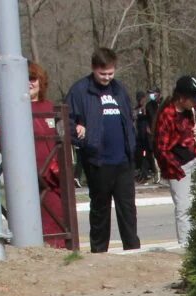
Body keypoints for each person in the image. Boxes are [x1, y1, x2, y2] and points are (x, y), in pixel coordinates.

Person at [67, 49, 139, 253]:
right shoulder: (80, 91)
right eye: (102, 74)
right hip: (98, 161)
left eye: (110, 73)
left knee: (127, 209)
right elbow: (65, 121)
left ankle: (133, 249)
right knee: (100, 210)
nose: (107, 78)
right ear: (93, 69)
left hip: (123, 160)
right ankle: (99, 252)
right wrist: (80, 134)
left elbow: (129, 121)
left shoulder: (119, 90)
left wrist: (131, 147)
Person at [16, 61, 69, 247]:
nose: (29, 83)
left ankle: (60, 252)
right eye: (24, 79)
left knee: (57, 218)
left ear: (41, 81)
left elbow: (61, 139)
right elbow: (0, 136)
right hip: (27, 177)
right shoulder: (13, 109)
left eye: (32, 79)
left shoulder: (49, 107)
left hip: (52, 177)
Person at [153, 75, 196, 247]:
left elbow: (188, 136)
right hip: (177, 167)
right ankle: (185, 245)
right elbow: (161, 148)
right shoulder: (167, 115)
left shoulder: (190, 112)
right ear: (181, 98)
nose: (195, 103)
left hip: (193, 159)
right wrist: (175, 169)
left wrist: (194, 133)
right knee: (183, 207)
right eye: (192, 99)